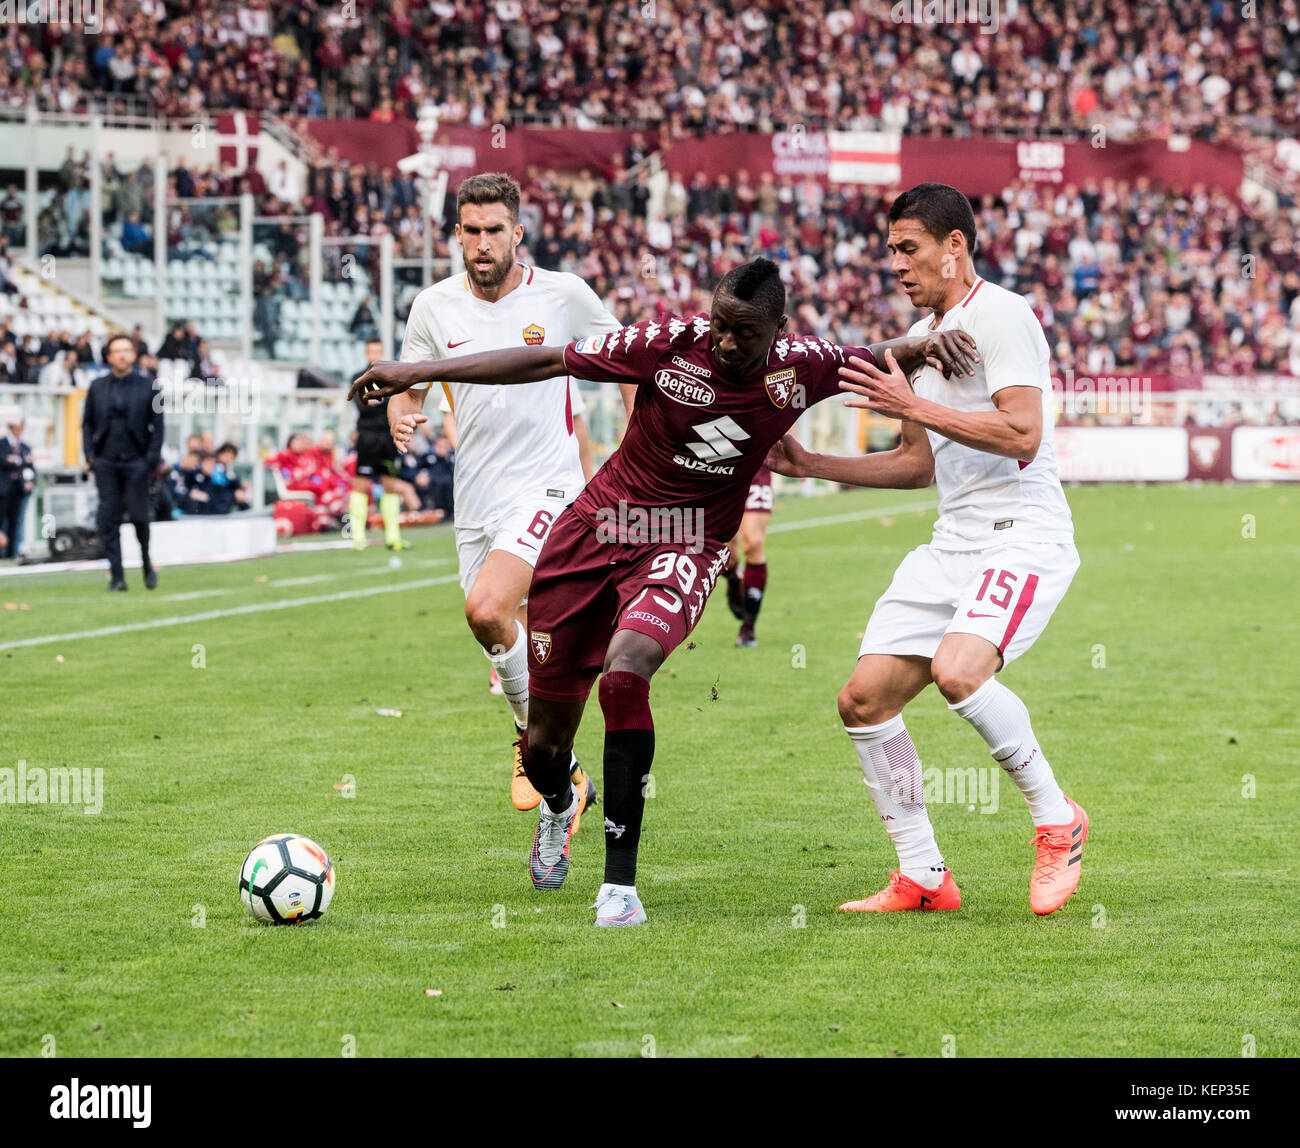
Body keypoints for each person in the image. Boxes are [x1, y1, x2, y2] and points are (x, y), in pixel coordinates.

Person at [353, 257, 975, 926]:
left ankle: (619, 890)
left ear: (780, 330)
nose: (728, 345)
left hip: (688, 539)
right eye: (721, 327)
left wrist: (922, 345)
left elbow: (875, 355)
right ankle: (563, 803)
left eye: (746, 335)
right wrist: (417, 372)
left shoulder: (803, 364)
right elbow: (548, 361)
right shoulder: (665, 344)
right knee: (542, 750)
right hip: (595, 529)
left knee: (627, 672)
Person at [767, 183, 1086, 916]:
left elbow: (1023, 436)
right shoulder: (916, 345)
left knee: (958, 671)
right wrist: (814, 464)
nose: (897, 266)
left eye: (909, 249)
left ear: (955, 246)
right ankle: (924, 875)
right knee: (863, 700)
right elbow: (918, 464)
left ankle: (1056, 818)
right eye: (890, 253)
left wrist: (912, 401)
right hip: (954, 541)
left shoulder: (1002, 315)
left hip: (1022, 534)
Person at [390, 171, 633, 822]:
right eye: (470, 230)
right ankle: (561, 769)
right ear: (457, 235)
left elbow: (629, 357)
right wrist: (401, 414)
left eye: (494, 230)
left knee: (488, 606)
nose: (482, 243)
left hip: (548, 484)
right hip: (477, 494)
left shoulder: (562, 296)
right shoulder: (433, 308)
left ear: (517, 233)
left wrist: (635, 447)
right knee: (498, 626)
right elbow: (410, 383)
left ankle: (536, 749)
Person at [82, 334, 163, 589]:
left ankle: (146, 563)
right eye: (117, 351)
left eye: (127, 350)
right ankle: (117, 577)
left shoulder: (151, 386)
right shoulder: (96, 387)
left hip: (136, 461)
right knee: (109, 518)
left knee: (140, 516)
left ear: (134, 354)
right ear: (108, 356)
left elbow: (159, 426)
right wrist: (90, 455)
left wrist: (150, 459)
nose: (122, 355)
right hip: (106, 461)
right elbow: (87, 424)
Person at [349, 338, 415, 550]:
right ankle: (358, 538)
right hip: (367, 438)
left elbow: (394, 402)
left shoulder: (391, 376)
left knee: (389, 484)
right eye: (371, 351)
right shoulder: (358, 377)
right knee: (362, 484)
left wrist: (378, 399)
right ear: (366, 353)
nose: (374, 354)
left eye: (378, 351)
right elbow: (364, 405)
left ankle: (392, 537)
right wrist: (383, 399)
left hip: (387, 437)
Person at [721, 464, 773, 646]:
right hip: (721, 467)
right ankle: (734, 575)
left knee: (754, 542)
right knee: (723, 547)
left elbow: (788, 434)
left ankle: (748, 628)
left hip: (758, 466)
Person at [0, 413, 36, 559]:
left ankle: (12, 554)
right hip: (3, 490)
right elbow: (4, 462)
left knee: (16, 522)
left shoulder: (25, 446)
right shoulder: (2, 444)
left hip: (18, 489)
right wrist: (19, 460)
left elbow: (30, 467)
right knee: (2, 522)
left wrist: (30, 480)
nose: (18, 430)